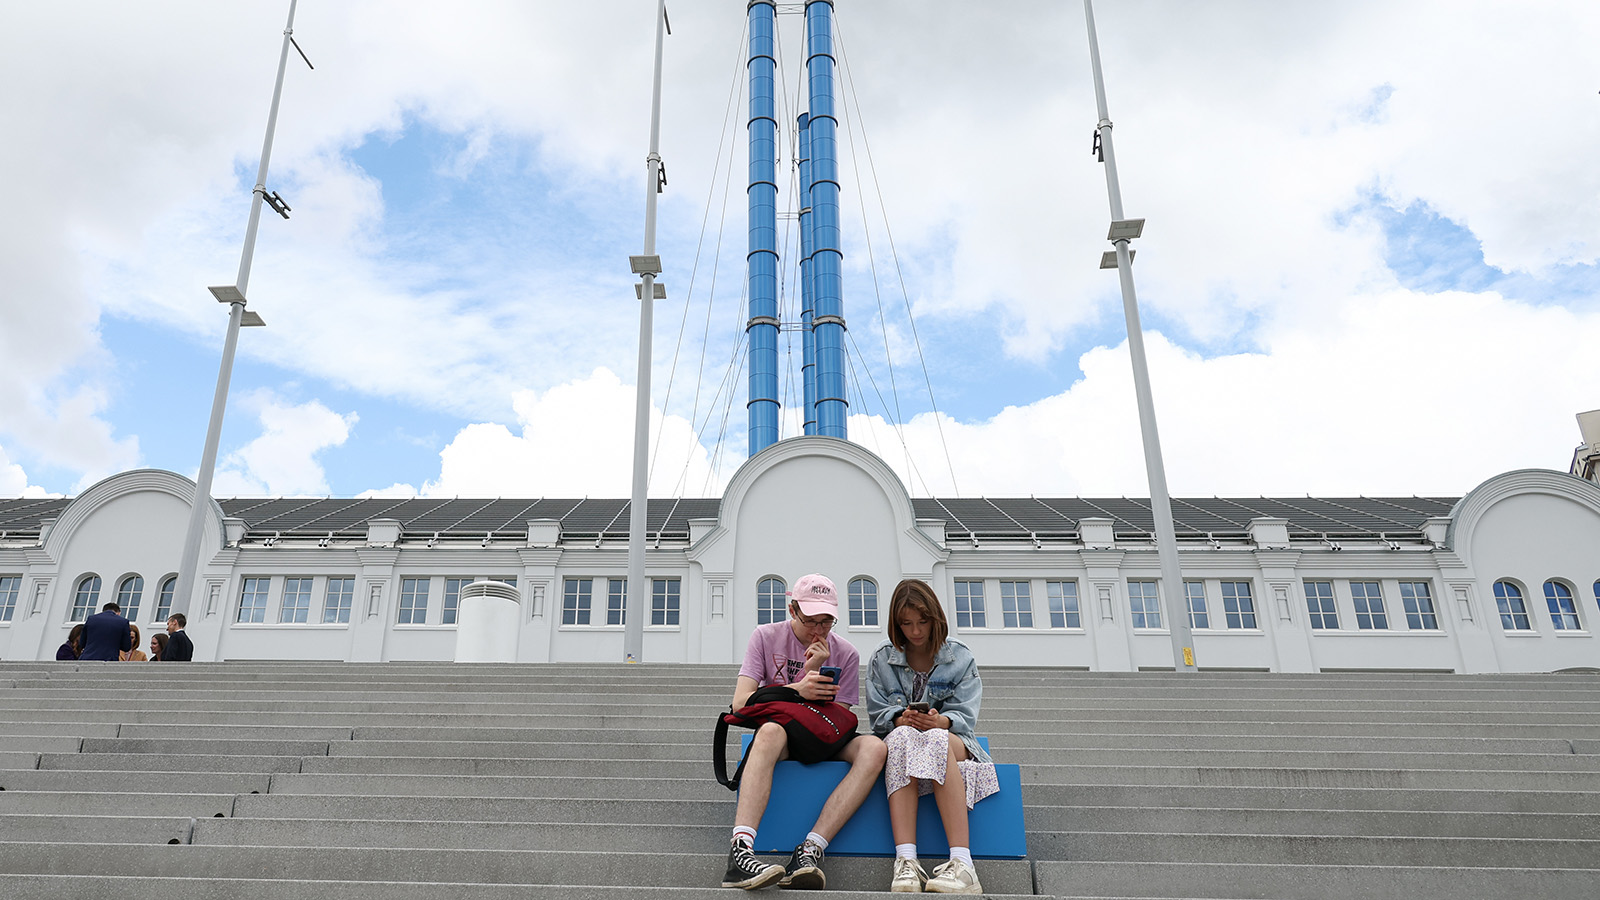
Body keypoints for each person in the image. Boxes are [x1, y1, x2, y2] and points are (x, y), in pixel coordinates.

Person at [723, 573, 887, 891]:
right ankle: (740, 851)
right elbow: (740, 703)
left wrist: (818, 690)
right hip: (780, 734)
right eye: (811, 620)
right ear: (792, 609)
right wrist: (800, 686)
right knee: (770, 731)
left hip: (823, 736)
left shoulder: (847, 653)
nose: (818, 630)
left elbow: (839, 722)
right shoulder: (765, 637)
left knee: (875, 748)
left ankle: (809, 850)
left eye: (827, 621)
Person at [866, 579, 999, 894]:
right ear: (896, 624)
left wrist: (941, 721)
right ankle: (906, 861)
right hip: (902, 740)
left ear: (935, 618)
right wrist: (900, 718)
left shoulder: (960, 656)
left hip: (953, 740)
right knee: (901, 738)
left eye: (922, 621)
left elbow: (965, 717)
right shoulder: (882, 658)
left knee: (933, 739)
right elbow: (877, 717)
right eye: (906, 623)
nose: (915, 631)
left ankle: (963, 863)